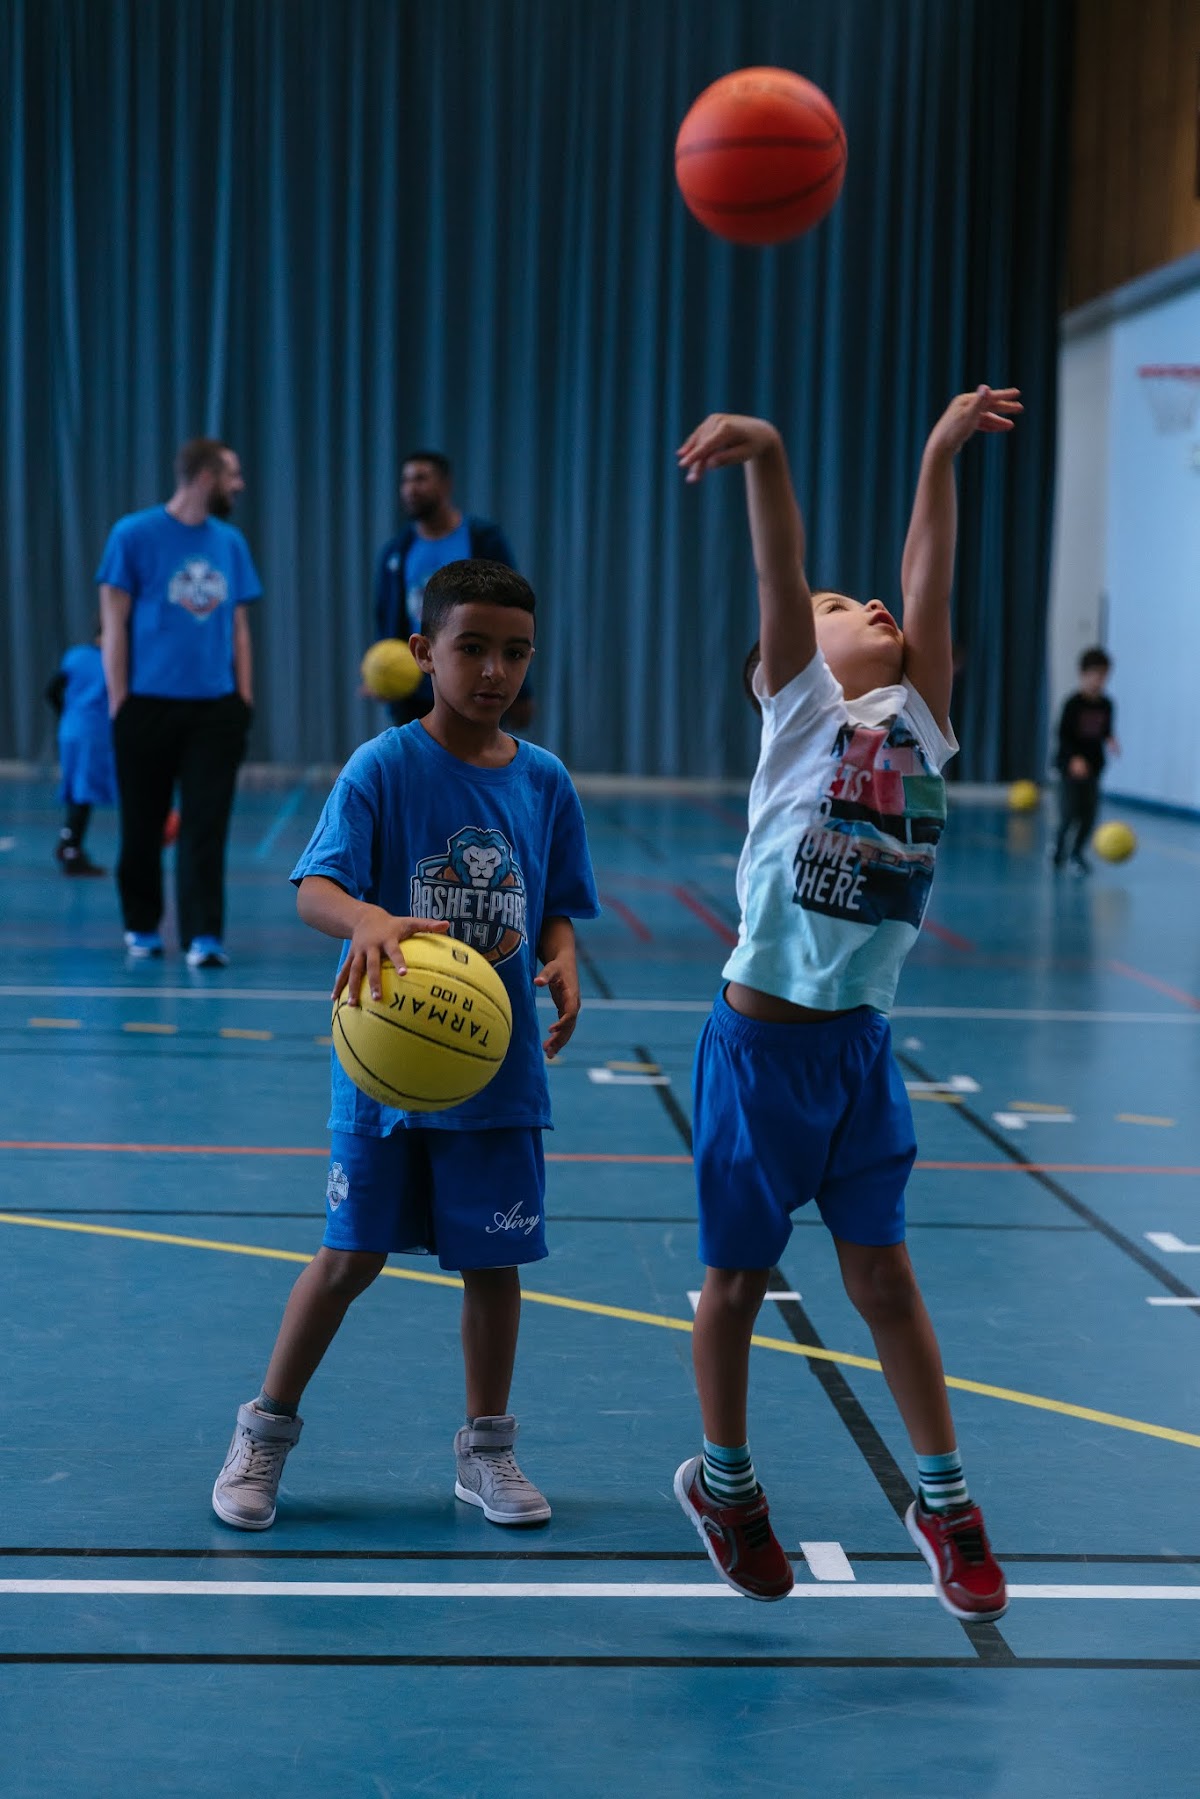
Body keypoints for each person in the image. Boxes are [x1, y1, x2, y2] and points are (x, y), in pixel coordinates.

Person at [672, 388, 1022, 1621]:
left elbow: (930, 573)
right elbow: (781, 567)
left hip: (858, 1055)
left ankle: (945, 1501)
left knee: (886, 1282)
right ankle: (727, 1487)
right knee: (736, 1283)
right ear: (788, 660)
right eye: (837, 607)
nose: (866, 604)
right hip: (759, 1050)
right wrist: (767, 453)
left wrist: (938, 452)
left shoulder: (922, 721)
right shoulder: (801, 710)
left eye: (869, 602)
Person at [211, 558, 598, 1532]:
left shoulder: (545, 780)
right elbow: (315, 889)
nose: (494, 670)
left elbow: (556, 903)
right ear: (425, 651)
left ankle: (487, 1452)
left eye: (516, 652)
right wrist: (368, 917)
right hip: (385, 1072)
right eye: (473, 647)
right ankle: (263, 1430)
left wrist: (562, 956)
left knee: (494, 1267)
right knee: (348, 1258)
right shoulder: (381, 767)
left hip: (497, 1074)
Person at [96, 438, 260, 966]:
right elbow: (114, 623)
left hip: (215, 711)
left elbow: (238, 625)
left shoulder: (230, 542)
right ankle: (141, 925)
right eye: (232, 475)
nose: (239, 485)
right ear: (207, 477)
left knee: (206, 826)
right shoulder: (132, 535)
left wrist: (243, 697)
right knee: (141, 826)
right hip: (146, 706)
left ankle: (203, 935)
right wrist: (120, 702)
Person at [372, 451, 533, 731]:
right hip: (414, 693)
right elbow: (385, 618)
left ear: (445, 485)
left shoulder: (483, 540)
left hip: (475, 683)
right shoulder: (396, 551)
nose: (411, 489)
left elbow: (514, 609)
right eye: (406, 481)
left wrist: (523, 690)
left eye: (421, 479)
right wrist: (382, 673)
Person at [45, 624, 117, 876]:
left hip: (70, 731)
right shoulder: (113, 660)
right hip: (94, 734)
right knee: (84, 792)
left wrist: (68, 714)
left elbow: (51, 691)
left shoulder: (75, 656)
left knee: (77, 790)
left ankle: (68, 842)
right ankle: (71, 848)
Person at [1052, 648, 1118, 875]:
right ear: (1083, 674)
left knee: (1088, 816)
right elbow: (1063, 736)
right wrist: (1073, 759)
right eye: (1095, 675)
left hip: (1094, 767)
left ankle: (1077, 854)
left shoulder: (1106, 704)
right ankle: (1058, 851)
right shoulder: (1073, 704)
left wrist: (1111, 740)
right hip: (1070, 769)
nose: (1100, 680)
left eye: (1104, 676)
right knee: (1069, 813)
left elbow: (1106, 729)